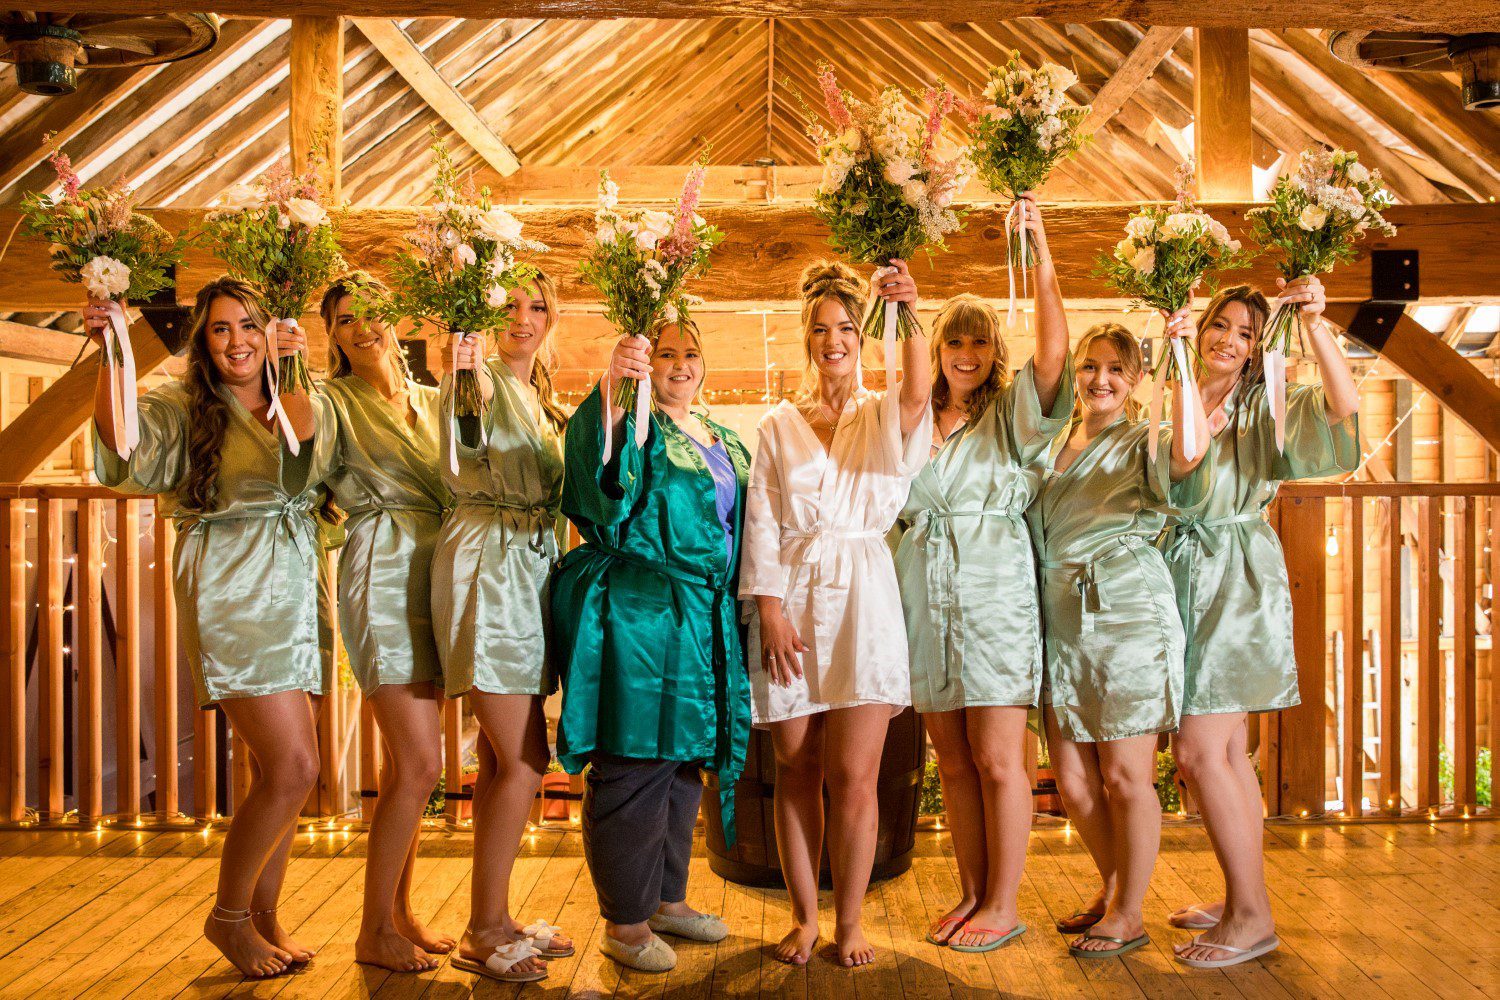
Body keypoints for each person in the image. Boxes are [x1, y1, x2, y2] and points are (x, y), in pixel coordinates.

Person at [89, 277, 326, 979]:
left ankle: (263, 914)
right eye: (221, 329)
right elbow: (120, 443)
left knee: (281, 769)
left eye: (250, 326)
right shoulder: (182, 405)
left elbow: (314, 452)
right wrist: (109, 350)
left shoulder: (293, 394)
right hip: (230, 585)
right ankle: (227, 917)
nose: (237, 341)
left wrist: (293, 365)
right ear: (204, 340)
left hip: (295, 583)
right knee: (295, 766)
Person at [1162, 278, 1358, 969]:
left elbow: (1344, 408)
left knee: (1197, 752)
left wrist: (1316, 325)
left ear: (1257, 349)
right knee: (1226, 753)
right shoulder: (1178, 387)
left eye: (1246, 333)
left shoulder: (1264, 401)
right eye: (1220, 324)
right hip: (1180, 571)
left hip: (1234, 575)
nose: (1229, 339)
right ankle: (1241, 897)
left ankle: (1252, 917)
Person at [741, 259, 931, 967]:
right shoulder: (777, 424)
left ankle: (850, 921)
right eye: (821, 329)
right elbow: (761, 519)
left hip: (863, 599)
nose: (834, 341)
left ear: (863, 335)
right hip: (789, 597)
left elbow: (920, 388)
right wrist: (769, 608)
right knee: (795, 765)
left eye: (847, 327)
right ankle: (804, 917)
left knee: (854, 775)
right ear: (806, 337)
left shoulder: (882, 414)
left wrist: (908, 311)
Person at [896, 194, 1071, 953]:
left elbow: (1055, 353)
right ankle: (972, 893)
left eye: (978, 341)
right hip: (925, 594)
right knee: (954, 762)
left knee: (999, 758)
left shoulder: (1010, 416)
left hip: (995, 594)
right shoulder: (909, 415)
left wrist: (1039, 250)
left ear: (994, 350)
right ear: (936, 347)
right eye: (953, 341)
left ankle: (1005, 902)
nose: (965, 354)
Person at [550, 319, 753, 974]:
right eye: (665, 354)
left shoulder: (719, 436)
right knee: (635, 762)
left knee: (683, 763)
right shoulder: (637, 426)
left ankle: (666, 900)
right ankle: (625, 924)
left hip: (702, 615)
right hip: (640, 611)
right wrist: (617, 384)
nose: (680, 364)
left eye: (691, 352)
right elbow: (600, 472)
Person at [1029, 318, 1212, 959]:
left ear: (1135, 379)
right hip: (1061, 617)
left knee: (1125, 777)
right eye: (1089, 366)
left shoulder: (1144, 439)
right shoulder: (1051, 440)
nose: (1099, 379)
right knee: (1073, 782)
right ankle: (1113, 889)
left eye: (1115, 369)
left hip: (1126, 610)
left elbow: (1189, 458)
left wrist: (1182, 357)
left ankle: (1129, 913)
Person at [431, 273, 574, 984]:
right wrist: (462, 373)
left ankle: (494, 913)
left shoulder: (537, 395)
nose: (523, 318)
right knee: (524, 756)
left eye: (537, 306)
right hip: (488, 563)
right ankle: (482, 928)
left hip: (527, 569)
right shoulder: (478, 380)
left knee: (497, 759)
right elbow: (466, 437)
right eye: (509, 306)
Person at [315, 276, 455, 973]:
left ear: (396, 318)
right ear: (332, 336)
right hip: (379, 570)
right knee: (422, 763)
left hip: (437, 573)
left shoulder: (432, 400)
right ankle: (372, 929)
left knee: (409, 768)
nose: (362, 327)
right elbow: (298, 462)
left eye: (372, 313)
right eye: (345, 320)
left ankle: (400, 913)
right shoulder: (329, 401)